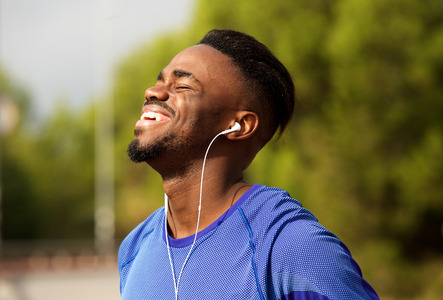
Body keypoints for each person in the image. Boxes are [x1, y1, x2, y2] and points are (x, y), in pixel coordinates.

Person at [118, 29, 379, 300]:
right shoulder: (135, 248)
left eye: (183, 86)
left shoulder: (291, 247)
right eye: (160, 81)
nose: (153, 91)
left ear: (239, 126)